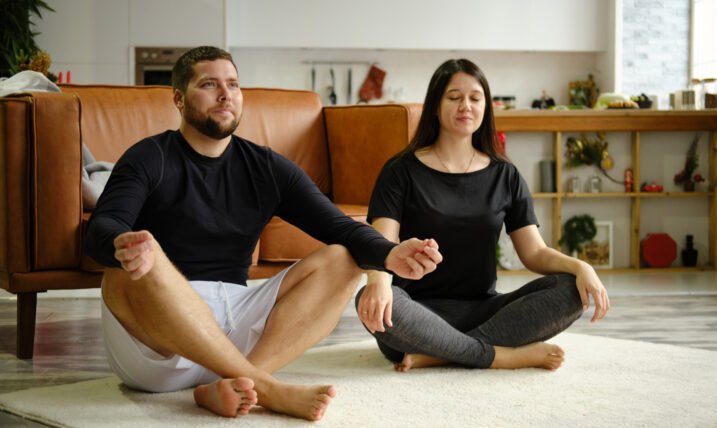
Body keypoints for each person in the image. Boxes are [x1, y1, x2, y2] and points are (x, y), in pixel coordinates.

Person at [84, 46, 442, 421]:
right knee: (129, 265)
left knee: (343, 257)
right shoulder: (149, 157)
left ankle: (238, 382)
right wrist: (122, 246)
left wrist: (390, 254)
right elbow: (102, 228)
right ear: (178, 98)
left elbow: (339, 227)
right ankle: (266, 388)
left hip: (238, 326)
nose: (226, 94)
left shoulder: (265, 166)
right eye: (209, 84)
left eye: (233, 85)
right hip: (159, 348)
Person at [356, 59, 610, 373]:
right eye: (454, 97)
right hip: (417, 313)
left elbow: (534, 253)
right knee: (370, 299)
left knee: (571, 289)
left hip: (487, 312)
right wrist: (378, 282)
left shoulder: (505, 175)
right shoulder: (400, 171)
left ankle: (444, 354)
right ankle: (500, 356)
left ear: (486, 108)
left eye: (475, 98)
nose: (466, 105)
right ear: (435, 105)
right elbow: (382, 240)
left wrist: (581, 267)